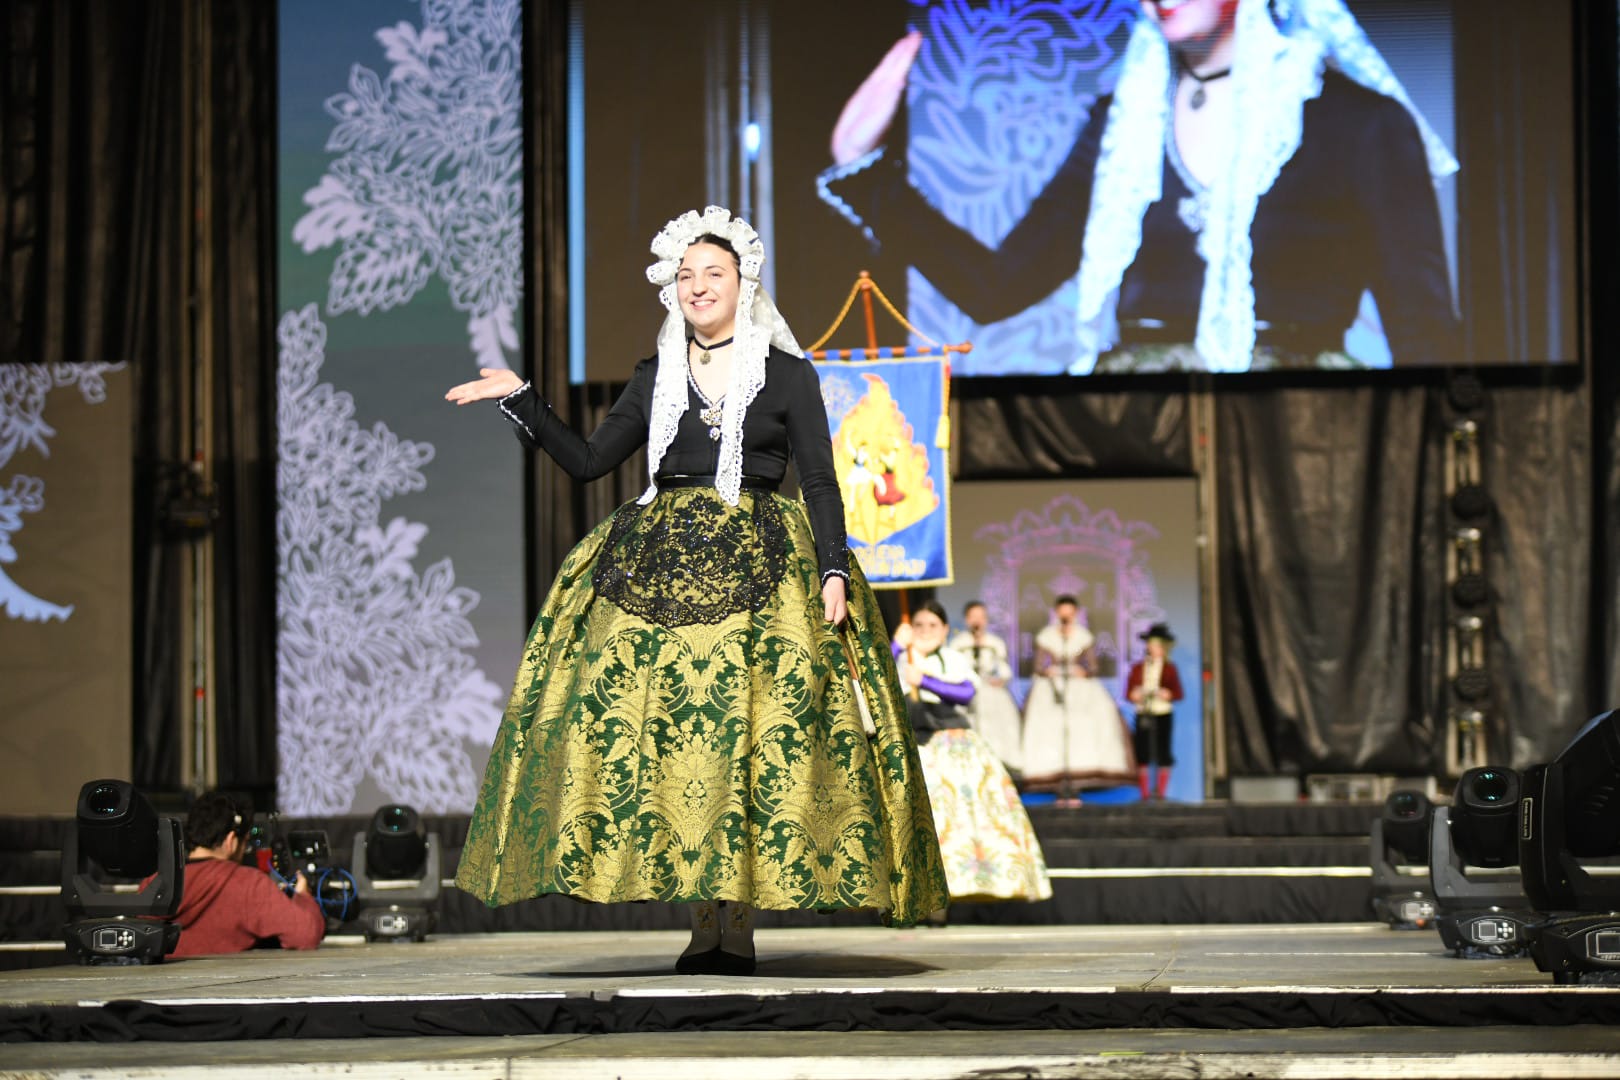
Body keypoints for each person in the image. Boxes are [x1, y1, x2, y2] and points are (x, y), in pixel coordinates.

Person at [445, 206, 947, 976]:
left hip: (762, 564)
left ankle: (733, 924)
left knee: (743, 738)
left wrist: (835, 567)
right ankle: (700, 919)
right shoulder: (657, 374)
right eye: (685, 275)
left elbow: (818, 477)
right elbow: (587, 460)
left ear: (743, 284)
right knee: (679, 743)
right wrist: (524, 398)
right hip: (660, 563)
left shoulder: (787, 374)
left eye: (713, 273)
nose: (697, 285)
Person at [819, 0, 1460, 372]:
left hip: (1300, 426)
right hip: (1145, 419)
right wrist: (864, 170)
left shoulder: (1357, 122)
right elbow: (998, 286)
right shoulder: (1122, 127)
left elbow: (1424, 333)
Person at [893, 601, 1051, 905]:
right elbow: (874, 678)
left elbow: (966, 692)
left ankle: (960, 887)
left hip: (949, 741)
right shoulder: (899, 659)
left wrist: (924, 680)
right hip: (911, 739)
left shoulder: (952, 658)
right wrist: (897, 648)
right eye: (919, 625)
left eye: (932, 626)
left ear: (945, 631)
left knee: (961, 819)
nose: (925, 631)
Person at [166, 792, 325, 958]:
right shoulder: (247, 884)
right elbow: (306, 934)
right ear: (231, 841)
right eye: (245, 843)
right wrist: (304, 897)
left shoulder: (155, 883)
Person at [1020, 596, 1136, 796]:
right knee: (1050, 727)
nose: (1066, 616)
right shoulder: (1047, 636)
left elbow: (1092, 666)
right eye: (1062, 612)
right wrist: (1049, 671)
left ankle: (1080, 778)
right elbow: (1039, 665)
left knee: (1084, 726)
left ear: (1075, 614)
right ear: (1056, 613)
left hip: (1079, 688)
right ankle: (1054, 778)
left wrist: (1083, 671)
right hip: (1052, 686)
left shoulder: (1083, 636)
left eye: (1070, 613)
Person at [948, 600, 1024, 775]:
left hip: (991, 692)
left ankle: (1000, 766)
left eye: (981, 617)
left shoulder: (994, 642)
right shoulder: (958, 643)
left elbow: (1004, 669)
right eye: (973, 617)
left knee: (999, 729)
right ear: (967, 620)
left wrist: (1000, 679)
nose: (977, 621)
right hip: (966, 692)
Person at [1126, 622, 1185, 800]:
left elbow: (1178, 693)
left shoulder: (1169, 668)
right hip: (1144, 712)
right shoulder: (1138, 668)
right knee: (1142, 753)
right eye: (1151, 645)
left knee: (1163, 752)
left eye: (1158, 645)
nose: (1153, 648)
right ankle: (1144, 794)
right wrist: (1135, 694)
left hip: (1163, 713)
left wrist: (1167, 693)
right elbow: (1128, 692)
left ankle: (1161, 793)